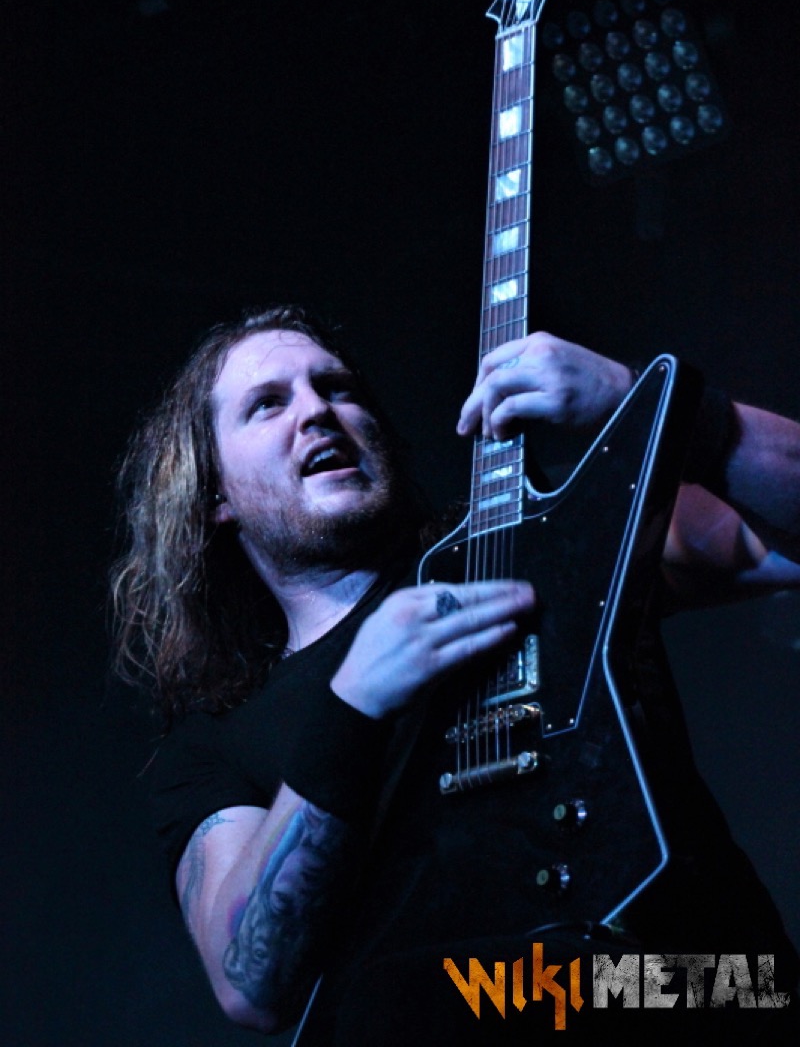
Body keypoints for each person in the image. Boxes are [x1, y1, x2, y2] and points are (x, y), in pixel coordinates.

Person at [112, 304, 800, 1042]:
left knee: (409, 1005)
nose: (317, 411)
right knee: (385, 1009)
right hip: (448, 1016)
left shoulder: (546, 538)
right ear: (213, 493)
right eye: (268, 404)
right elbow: (251, 986)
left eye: (337, 387)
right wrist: (353, 704)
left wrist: (641, 398)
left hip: (695, 984)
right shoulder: (211, 743)